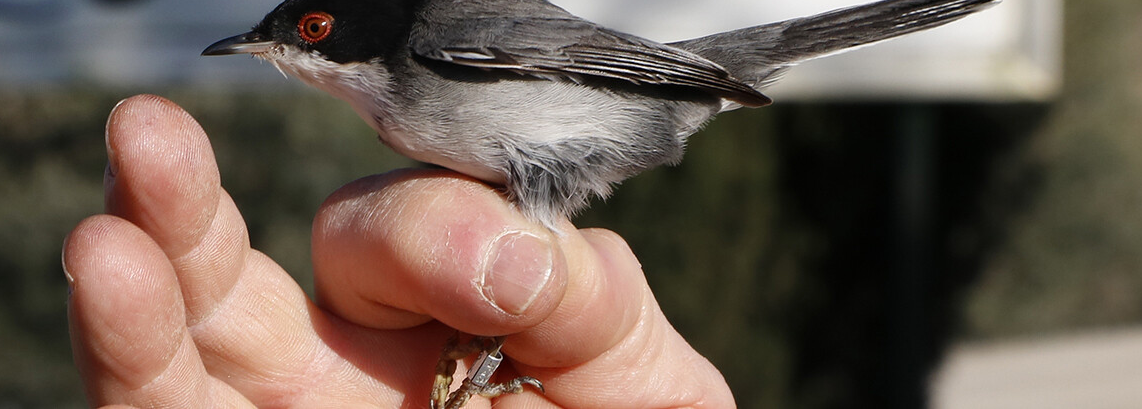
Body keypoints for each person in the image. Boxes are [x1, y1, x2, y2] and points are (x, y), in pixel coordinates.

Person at [64, 94, 736, 408]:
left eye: (314, 33)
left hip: (624, 104)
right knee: (494, 257)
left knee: (510, 257)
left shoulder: (445, 47)